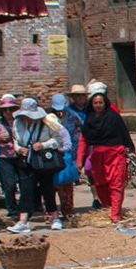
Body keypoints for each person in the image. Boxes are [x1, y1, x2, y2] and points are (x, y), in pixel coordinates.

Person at [76, 82, 135, 222]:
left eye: (100, 102)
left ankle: (115, 214)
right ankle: (108, 208)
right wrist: (80, 160)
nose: (98, 105)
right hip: (97, 156)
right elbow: (84, 140)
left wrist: (130, 152)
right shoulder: (90, 119)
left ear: (105, 103)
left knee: (116, 184)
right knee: (100, 184)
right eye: (95, 103)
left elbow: (124, 134)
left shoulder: (113, 117)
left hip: (115, 154)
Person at [8, 96, 55, 233]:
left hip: (42, 160)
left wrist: (43, 145)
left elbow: (57, 140)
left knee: (47, 189)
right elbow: (15, 141)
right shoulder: (17, 123)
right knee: (26, 190)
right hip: (26, 160)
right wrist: (19, 149)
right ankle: (23, 221)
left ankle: (54, 217)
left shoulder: (46, 122)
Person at [44, 94, 78, 228]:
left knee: (66, 191)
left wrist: (57, 150)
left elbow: (68, 145)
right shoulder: (43, 131)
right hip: (48, 165)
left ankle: (67, 212)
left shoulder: (63, 129)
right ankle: (51, 214)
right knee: (49, 190)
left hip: (62, 164)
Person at [60, 84, 88, 213]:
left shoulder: (89, 109)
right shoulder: (69, 111)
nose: (79, 98)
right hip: (71, 146)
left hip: (86, 143)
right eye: (77, 95)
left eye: (82, 95)